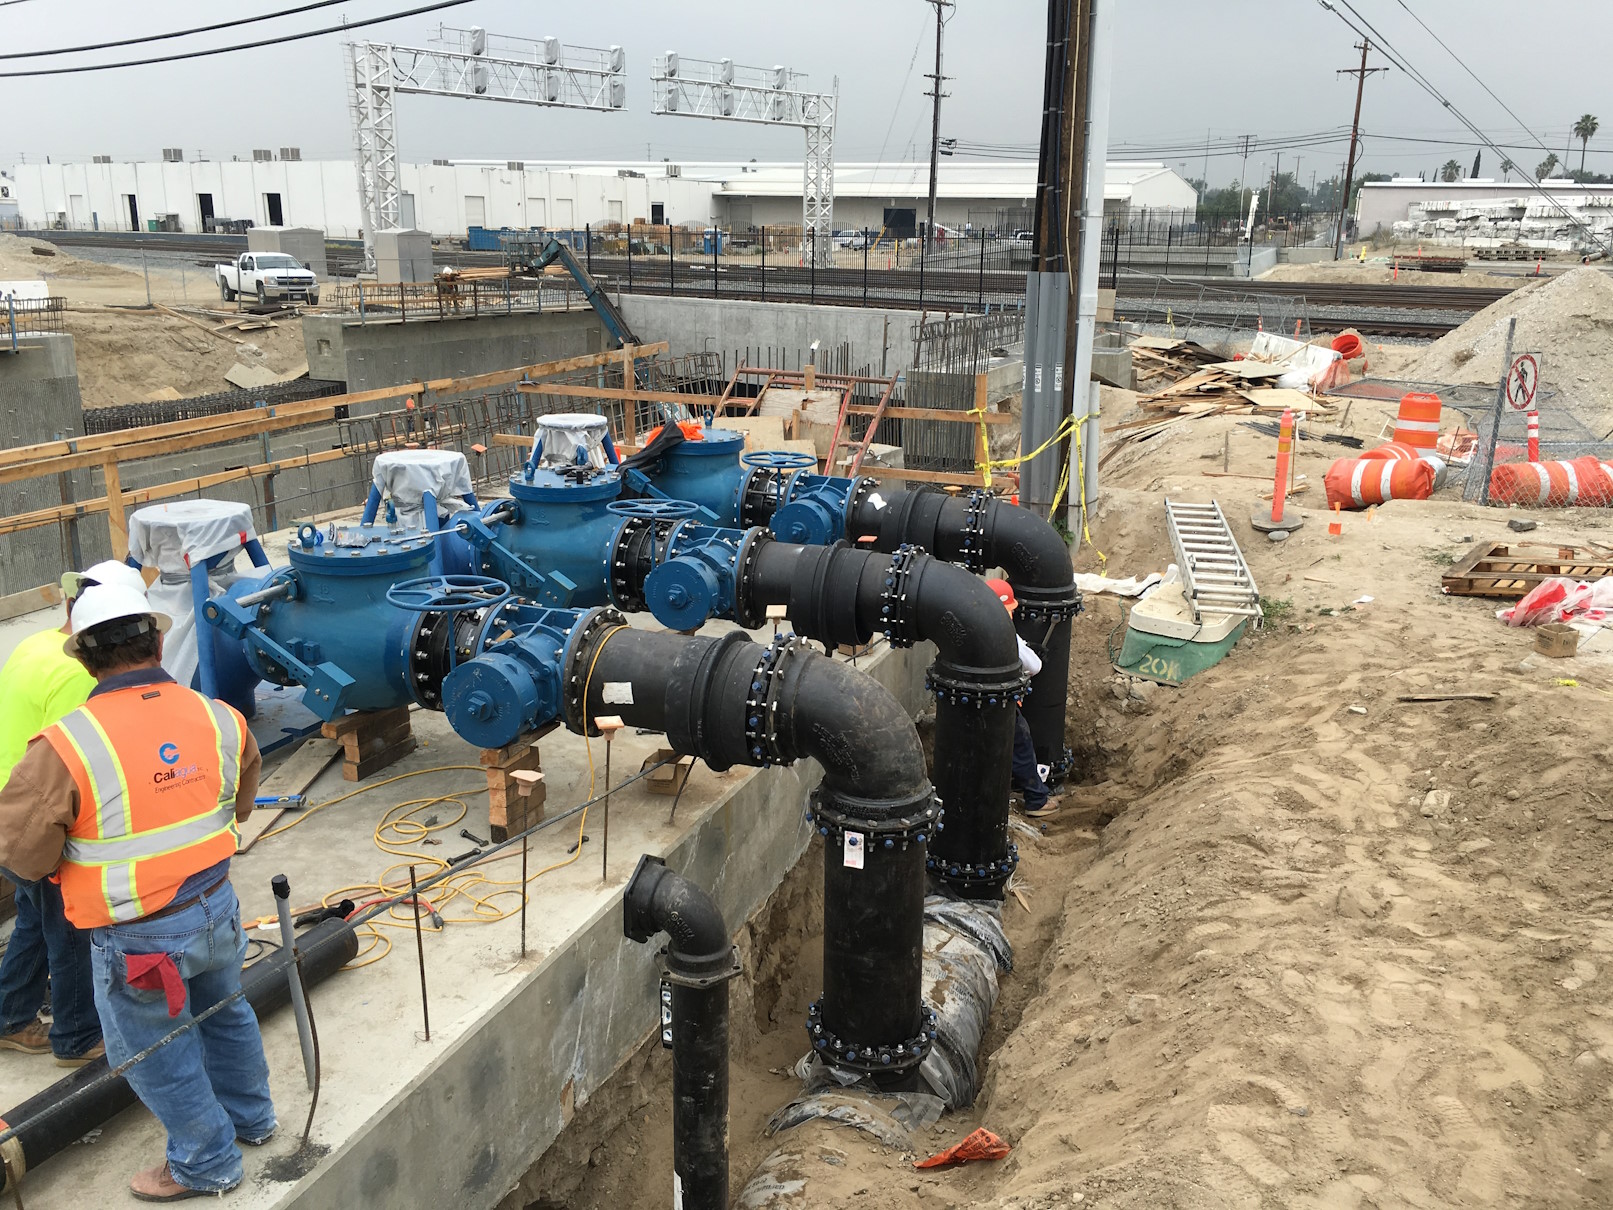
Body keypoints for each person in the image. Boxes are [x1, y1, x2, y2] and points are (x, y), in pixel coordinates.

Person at [0, 584, 273, 1201]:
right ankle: (253, 1120)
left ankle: (205, 1164)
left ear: (85, 658)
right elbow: (241, 800)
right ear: (155, 641)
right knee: (227, 1013)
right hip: (217, 908)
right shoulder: (218, 715)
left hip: (138, 939)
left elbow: (20, 852)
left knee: (157, 1051)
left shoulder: (66, 746)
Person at [0, 560, 147, 1066]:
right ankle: (79, 1036)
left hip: (9, 813)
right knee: (69, 927)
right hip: (36, 820)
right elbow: (75, 764)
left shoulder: (34, 645)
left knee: (33, 919)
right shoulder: (74, 677)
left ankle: (11, 1016)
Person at [985, 578, 1059, 819]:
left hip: (973, 704)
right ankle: (1036, 800)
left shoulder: (973, 626)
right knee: (1021, 744)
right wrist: (1031, 651)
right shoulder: (1005, 632)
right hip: (1000, 703)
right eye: (1009, 611)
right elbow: (1034, 666)